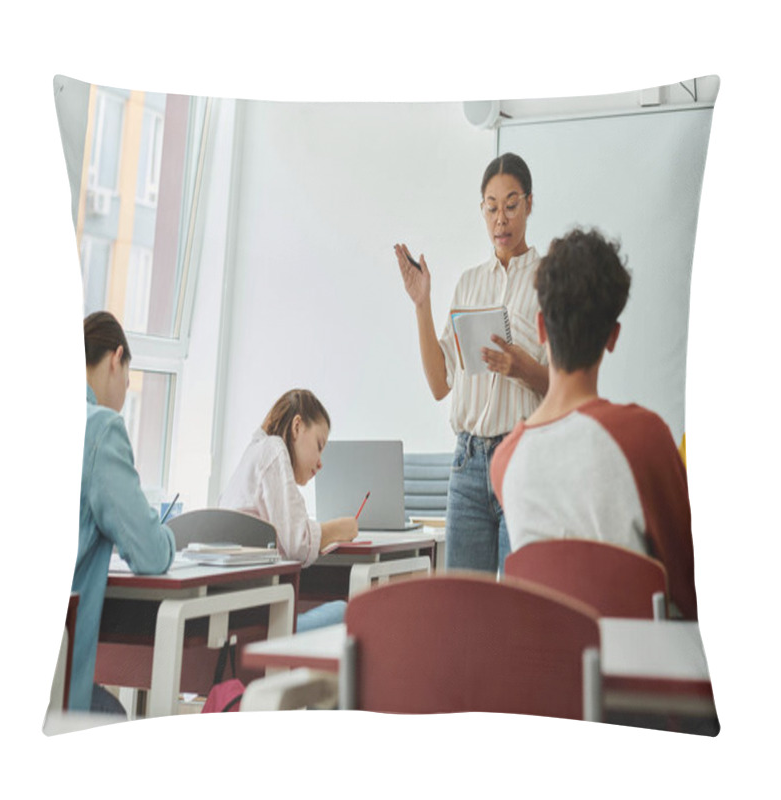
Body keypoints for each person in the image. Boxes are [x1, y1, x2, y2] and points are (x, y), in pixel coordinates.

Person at [490, 227, 697, 619]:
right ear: (613, 337)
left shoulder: (504, 461)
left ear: (539, 327)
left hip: (548, 674)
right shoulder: (644, 437)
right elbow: (688, 590)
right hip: (639, 671)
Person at [395, 153, 548, 573]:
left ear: (530, 205)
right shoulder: (469, 282)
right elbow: (440, 384)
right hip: (466, 464)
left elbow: (562, 384)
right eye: (492, 207)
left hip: (521, 459)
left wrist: (522, 368)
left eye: (512, 205)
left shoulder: (549, 279)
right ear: (482, 210)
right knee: (464, 611)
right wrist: (422, 304)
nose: (501, 219)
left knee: (516, 607)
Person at [71, 311, 176, 714]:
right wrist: (168, 534)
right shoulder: (99, 428)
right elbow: (150, 553)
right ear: (116, 359)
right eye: (128, 381)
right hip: (54, 686)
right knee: (114, 717)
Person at [219, 389, 358, 631]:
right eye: (319, 445)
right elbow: (298, 542)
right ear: (297, 427)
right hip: (260, 625)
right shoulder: (273, 449)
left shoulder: (252, 455)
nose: (320, 462)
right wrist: (339, 528)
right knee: (347, 611)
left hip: (233, 620)